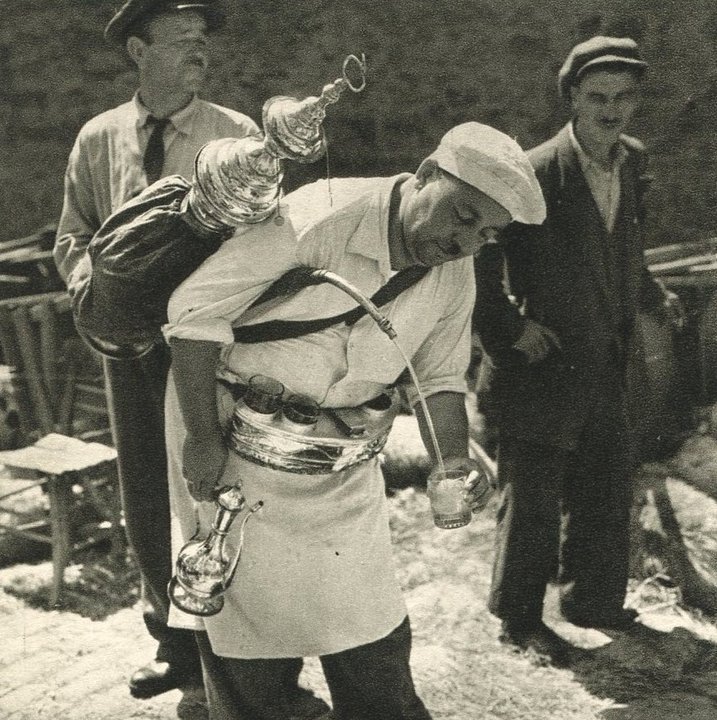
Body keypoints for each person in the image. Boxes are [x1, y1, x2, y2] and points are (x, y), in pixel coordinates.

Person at [160, 121, 546, 719]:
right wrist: (202, 441)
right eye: (463, 216)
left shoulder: (453, 272)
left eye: (487, 234)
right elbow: (193, 317)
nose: (466, 243)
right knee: (247, 625)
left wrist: (452, 461)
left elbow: (437, 377)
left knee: (370, 625)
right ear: (425, 175)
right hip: (235, 435)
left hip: (341, 458)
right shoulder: (320, 217)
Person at [53, 0, 260, 700]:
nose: (199, 51)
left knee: (214, 484)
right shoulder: (99, 136)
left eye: (202, 40)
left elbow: (265, 238)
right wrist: (92, 292)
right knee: (144, 488)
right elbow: (74, 233)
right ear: (138, 52)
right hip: (127, 347)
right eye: (180, 40)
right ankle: (172, 645)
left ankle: (236, 651)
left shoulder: (235, 134)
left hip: (208, 342)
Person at [472, 36, 680, 665]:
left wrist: (653, 295)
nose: (611, 110)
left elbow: (621, 249)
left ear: (636, 101)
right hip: (543, 362)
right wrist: (509, 330)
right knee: (533, 498)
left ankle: (592, 602)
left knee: (605, 486)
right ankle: (519, 621)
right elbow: (476, 257)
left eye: (623, 97)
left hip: (608, 358)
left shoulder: (632, 161)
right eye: (597, 97)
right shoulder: (533, 171)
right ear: (572, 98)